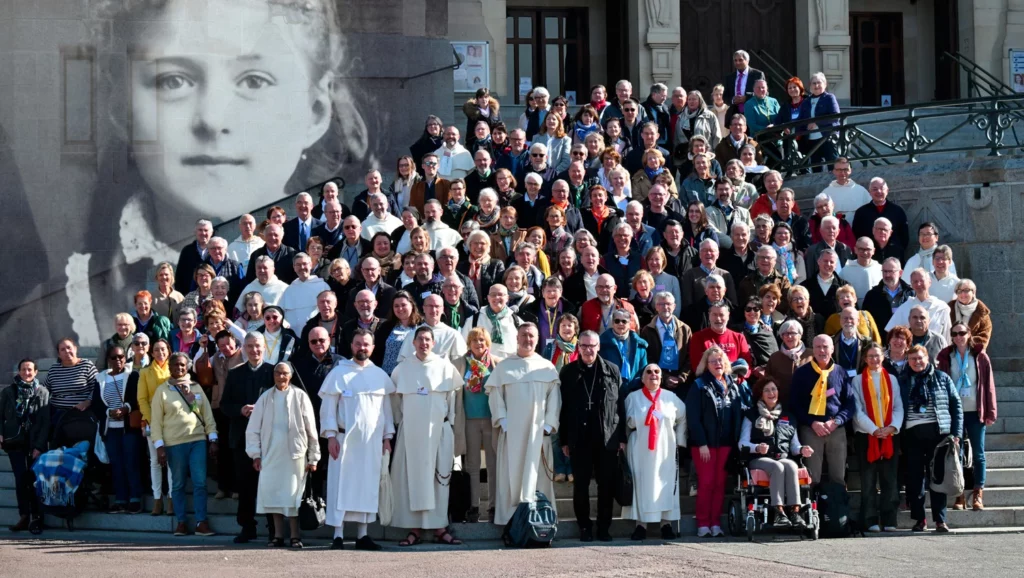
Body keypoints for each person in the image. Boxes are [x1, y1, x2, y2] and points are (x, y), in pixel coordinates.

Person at [318, 330, 394, 550]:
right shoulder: (339, 373)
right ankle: (338, 535)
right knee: (339, 486)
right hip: (343, 440)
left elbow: (386, 411)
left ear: (372, 348)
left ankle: (363, 535)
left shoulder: (380, 375)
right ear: (351, 346)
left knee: (367, 486)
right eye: (358, 344)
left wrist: (387, 438)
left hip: (371, 443)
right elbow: (328, 410)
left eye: (366, 344)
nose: (362, 348)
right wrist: (331, 436)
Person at [390, 327, 464, 547]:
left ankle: (440, 527)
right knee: (411, 480)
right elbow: (395, 403)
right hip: (410, 433)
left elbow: (452, 401)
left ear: (434, 343)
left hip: (438, 432)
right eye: (420, 339)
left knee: (438, 480)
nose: (423, 343)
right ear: (413, 343)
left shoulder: (445, 367)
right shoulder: (402, 369)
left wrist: (448, 426)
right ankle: (414, 529)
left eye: (427, 339)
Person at [487, 324, 563, 526]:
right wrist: (503, 421)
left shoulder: (546, 367)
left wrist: (548, 426)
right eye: (523, 335)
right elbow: (495, 395)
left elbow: (554, 399)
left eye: (531, 336)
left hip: (538, 433)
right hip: (511, 433)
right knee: (511, 477)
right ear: (516, 337)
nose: (527, 339)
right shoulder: (504, 366)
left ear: (537, 339)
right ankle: (510, 521)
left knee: (537, 478)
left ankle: (540, 520)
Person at [557, 329, 623, 541]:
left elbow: (620, 406)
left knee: (606, 485)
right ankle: (584, 527)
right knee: (581, 485)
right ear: (578, 347)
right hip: (579, 438)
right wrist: (564, 440)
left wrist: (622, 438)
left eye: (591, 346)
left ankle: (604, 527)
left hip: (607, 438)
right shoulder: (568, 372)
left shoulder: (612, 370)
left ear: (598, 347)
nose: (587, 350)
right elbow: (563, 409)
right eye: (583, 346)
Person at [245, 362, 320, 549]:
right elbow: (252, 429)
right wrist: (256, 454)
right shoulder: (265, 398)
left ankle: (295, 536)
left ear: (291, 375)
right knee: (273, 496)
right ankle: (278, 536)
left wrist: (313, 457)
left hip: (294, 454)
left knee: (293, 497)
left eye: (284, 373)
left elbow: (311, 429)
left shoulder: (300, 396)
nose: (281, 377)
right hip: (270, 455)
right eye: (277, 373)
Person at [150, 352, 218, 537]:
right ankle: (181, 522)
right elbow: (155, 422)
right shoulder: (162, 391)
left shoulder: (196, 387)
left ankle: (201, 523)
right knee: (178, 484)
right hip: (174, 444)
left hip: (197, 441)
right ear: (169, 367)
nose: (179, 368)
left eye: (182, 365)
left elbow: (207, 415)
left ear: (187, 366)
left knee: (200, 483)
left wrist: (212, 439)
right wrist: (159, 446)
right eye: (175, 365)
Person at [620, 363, 686, 540]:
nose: (653, 374)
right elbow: (623, 423)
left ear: (661, 377)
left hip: (666, 449)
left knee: (665, 485)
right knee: (642, 485)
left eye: (657, 371)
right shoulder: (632, 398)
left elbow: (683, 417)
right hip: (640, 449)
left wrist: (680, 441)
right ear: (642, 378)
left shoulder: (671, 397)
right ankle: (641, 525)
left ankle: (666, 524)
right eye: (648, 372)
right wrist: (623, 444)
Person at [936, 323, 997, 511]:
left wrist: (990, 411)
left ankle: (978, 492)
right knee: (956, 454)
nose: (958, 336)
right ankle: (959, 494)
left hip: (975, 411)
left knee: (978, 453)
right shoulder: (946, 356)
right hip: (955, 412)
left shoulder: (980, 356)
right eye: (954, 333)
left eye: (962, 332)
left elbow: (988, 385)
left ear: (969, 334)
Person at [739, 376, 814, 528]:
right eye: (766, 390)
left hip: (782, 456)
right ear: (761, 394)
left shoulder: (788, 417)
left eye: (773, 389)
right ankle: (778, 511)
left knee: (792, 465)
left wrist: (802, 449)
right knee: (777, 467)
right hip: (759, 459)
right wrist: (757, 447)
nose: (771, 393)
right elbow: (742, 443)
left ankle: (795, 511)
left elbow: (794, 446)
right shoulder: (751, 415)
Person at [222, 332, 276, 544]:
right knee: (245, 487)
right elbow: (225, 406)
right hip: (242, 438)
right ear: (244, 348)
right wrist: (240, 409)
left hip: (270, 439)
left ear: (264, 347)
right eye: (250, 346)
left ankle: (274, 529)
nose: (254, 350)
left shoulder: (273, 372)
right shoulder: (235, 374)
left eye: (258, 346)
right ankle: (247, 527)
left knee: (270, 484)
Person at [903, 345, 963, 532]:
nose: (917, 362)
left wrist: (957, 434)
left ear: (927, 358)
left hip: (939, 435)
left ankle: (940, 520)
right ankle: (919, 519)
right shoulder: (902, 380)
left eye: (920, 358)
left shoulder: (942, 378)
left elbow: (956, 406)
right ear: (908, 361)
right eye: (912, 359)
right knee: (914, 479)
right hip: (911, 435)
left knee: (938, 478)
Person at [687, 346, 745, 537]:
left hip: (727, 444)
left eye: (720, 360)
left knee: (720, 484)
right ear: (706, 364)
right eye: (713, 361)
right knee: (707, 483)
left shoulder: (733, 384)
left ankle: (715, 524)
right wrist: (701, 442)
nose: (718, 364)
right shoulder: (699, 385)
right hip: (705, 445)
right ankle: (703, 523)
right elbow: (693, 418)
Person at [850, 343, 904, 532]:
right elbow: (857, 411)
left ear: (883, 358)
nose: (874, 359)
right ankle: (870, 520)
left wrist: (891, 427)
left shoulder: (892, 380)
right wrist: (874, 429)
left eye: (877, 356)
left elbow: (898, 406)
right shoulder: (857, 381)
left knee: (890, 479)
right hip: (867, 436)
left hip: (889, 435)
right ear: (865, 359)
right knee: (868, 480)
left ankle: (889, 520)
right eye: (870, 356)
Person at [789, 335, 856, 485]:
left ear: (832, 349)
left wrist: (837, 421)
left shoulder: (840, 372)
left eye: (825, 347)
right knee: (812, 477)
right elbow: (794, 404)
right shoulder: (801, 373)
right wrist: (812, 423)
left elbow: (850, 403)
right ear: (813, 350)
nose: (822, 350)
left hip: (836, 430)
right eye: (818, 347)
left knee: (838, 476)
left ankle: (837, 507)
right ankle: (812, 506)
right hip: (811, 430)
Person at [453, 328, 499, 523]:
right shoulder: (460, 363)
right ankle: (473, 506)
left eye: (481, 340)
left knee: (492, 463)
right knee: (472, 464)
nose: (478, 344)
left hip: (490, 419)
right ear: (468, 343)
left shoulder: (497, 363)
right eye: (474, 340)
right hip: (469, 419)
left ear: (487, 342)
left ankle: (494, 506)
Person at [0, 359, 50, 532]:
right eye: (23, 369)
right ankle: (24, 515)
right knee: (21, 480)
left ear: (36, 372)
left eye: (30, 370)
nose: (26, 373)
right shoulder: (8, 392)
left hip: (34, 443)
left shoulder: (42, 392)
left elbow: (45, 422)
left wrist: (39, 446)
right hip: (15, 442)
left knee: (35, 480)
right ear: (19, 371)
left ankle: (37, 517)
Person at [93, 346, 144, 513]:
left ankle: (135, 498)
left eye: (121, 357)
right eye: (114, 357)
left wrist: (126, 408)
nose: (118, 360)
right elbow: (96, 404)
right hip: (110, 429)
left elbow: (137, 397)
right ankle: (121, 499)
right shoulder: (100, 378)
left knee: (131, 463)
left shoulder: (132, 375)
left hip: (128, 427)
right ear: (108, 359)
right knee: (117, 465)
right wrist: (108, 412)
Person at [640, 292, 692, 391]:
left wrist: (681, 377)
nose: (665, 307)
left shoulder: (685, 329)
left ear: (674, 306)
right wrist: (664, 377)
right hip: (657, 382)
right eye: (661, 304)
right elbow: (646, 357)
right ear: (656, 307)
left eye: (668, 304)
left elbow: (690, 356)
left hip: (681, 383)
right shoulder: (647, 330)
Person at [887, 269, 952, 342]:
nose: (918, 284)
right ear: (911, 285)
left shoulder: (941, 307)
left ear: (929, 282)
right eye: (915, 281)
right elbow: (891, 332)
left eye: (922, 281)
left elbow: (947, 335)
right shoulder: (905, 307)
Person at [461, 284, 522, 359]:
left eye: (500, 294)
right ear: (488, 298)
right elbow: (463, 345)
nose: (496, 297)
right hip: (482, 367)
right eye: (493, 295)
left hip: (509, 366)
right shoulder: (474, 320)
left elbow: (522, 347)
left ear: (507, 298)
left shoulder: (516, 321)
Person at [765, 319, 814, 407]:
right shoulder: (775, 357)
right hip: (783, 405)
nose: (789, 336)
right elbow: (767, 381)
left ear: (800, 335)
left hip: (809, 405)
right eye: (785, 334)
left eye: (792, 333)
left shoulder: (812, 355)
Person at [852, 178, 910, 251]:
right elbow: (856, 236)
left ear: (887, 191)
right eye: (875, 189)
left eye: (882, 188)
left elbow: (904, 237)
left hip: (893, 256)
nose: (879, 191)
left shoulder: (897, 211)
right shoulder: (861, 212)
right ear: (869, 192)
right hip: (868, 256)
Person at [796, 72, 840, 170]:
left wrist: (816, 122)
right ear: (810, 85)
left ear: (825, 84)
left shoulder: (829, 98)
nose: (816, 85)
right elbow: (800, 119)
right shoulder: (806, 101)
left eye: (819, 83)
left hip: (827, 137)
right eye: (814, 83)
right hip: (811, 139)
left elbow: (835, 116)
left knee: (833, 166)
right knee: (816, 167)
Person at [599, 309, 650, 392]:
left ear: (629, 324)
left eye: (624, 321)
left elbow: (644, 370)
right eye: (617, 321)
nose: (620, 324)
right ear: (612, 323)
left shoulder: (640, 345)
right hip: (610, 390)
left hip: (634, 389)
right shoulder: (602, 343)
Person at [680, 239, 738, 310]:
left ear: (718, 254)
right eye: (704, 250)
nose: (708, 253)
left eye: (712, 250)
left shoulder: (725, 275)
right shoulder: (690, 274)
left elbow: (732, 302)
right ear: (700, 254)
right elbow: (687, 302)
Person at [801, 249, 848, 319]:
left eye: (831, 262)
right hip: (812, 327)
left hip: (836, 327)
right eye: (825, 261)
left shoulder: (845, 286)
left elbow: (852, 309)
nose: (828, 264)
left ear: (836, 265)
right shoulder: (804, 287)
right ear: (818, 261)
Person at [706, 181, 753, 251]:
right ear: (715, 191)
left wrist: (742, 243)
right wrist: (735, 243)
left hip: (741, 252)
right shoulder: (707, 211)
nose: (724, 192)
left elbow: (752, 230)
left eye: (726, 189)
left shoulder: (744, 212)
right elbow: (713, 231)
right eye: (720, 189)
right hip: (719, 253)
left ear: (732, 190)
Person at [949, 279, 991, 350]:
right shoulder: (949, 309)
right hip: (951, 352)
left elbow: (984, 336)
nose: (962, 294)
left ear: (973, 292)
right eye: (959, 291)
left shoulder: (982, 312)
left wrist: (966, 345)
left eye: (966, 290)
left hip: (973, 353)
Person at [839, 237, 883, 306]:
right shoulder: (846, 270)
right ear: (855, 250)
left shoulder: (880, 269)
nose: (865, 252)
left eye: (868, 249)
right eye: (861, 249)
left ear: (873, 251)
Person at [831, 307, 875, 374]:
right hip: (839, 382)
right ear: (840, 320)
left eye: (851, 318)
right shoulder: (831, 342)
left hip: (860, 382)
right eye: (845, 318)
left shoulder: (867, 343)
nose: (848, 321)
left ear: (858, 321)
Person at [742, 296, 779, 370]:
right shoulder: (736, 331)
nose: (752, 312)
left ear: (760, 312)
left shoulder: (767, 332)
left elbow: (775, 357)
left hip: (766, 372)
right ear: (744, 312)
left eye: (756, 309)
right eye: (748, 309)